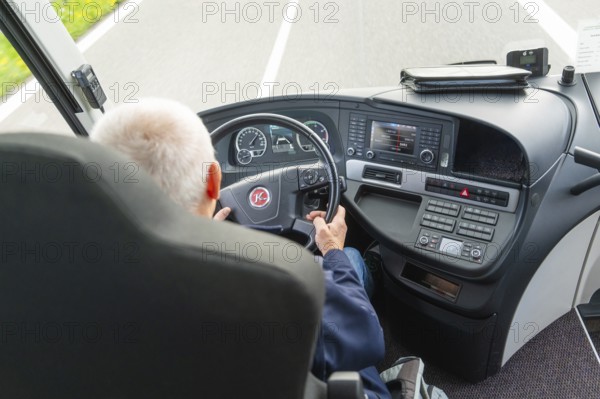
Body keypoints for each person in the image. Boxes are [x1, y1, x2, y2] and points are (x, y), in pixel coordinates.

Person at [91, 98, 390, 398]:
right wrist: (332, 249)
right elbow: (367, 338)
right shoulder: (284, 285)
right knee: (350, 261)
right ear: (215, 181)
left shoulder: (87, 287)